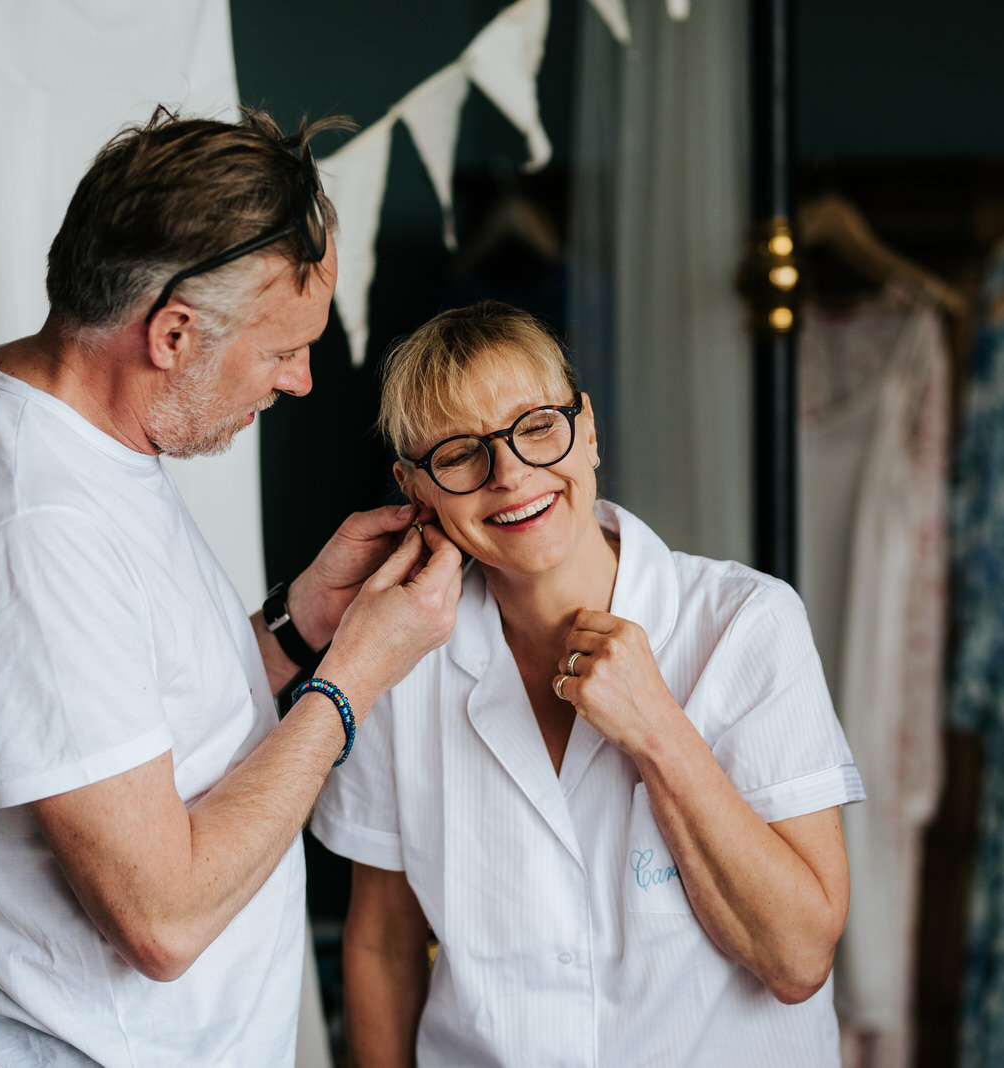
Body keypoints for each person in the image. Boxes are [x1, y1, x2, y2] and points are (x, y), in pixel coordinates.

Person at [0, 108, 463, 1066]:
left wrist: (299, 625)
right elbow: (163, 919)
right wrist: (354, 677)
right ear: (175, 333)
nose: (302, 381)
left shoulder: (76, 438)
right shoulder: (35, 530)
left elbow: (136, 721)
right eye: (281, 351)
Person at [311, 300, 867, 1067]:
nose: (510, 475)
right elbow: (382, 944)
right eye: (460, 453)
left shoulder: (748, 625)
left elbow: (800, 960)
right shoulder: (398, 659)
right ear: (416, 490)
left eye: (537, 426)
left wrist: (660, 733)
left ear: (590, 430)